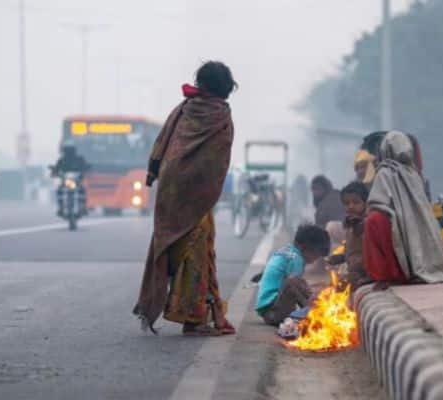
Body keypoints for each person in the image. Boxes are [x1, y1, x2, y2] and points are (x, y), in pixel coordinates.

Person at [133, 61, 237, 336]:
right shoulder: (220, 114)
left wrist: (154, 172)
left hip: (170, 188)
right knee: (197, 251)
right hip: (197, 193)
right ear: (225, 87)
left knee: (173, 244)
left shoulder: (184, 109)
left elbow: (162, 143)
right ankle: (194, 318)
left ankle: (201, 312)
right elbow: (217, 159)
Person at [363, 131, 443, 285]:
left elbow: (377, 204)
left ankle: (387, 274)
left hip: (394, 225)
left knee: (373, 221)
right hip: (413, 226)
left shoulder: (384, 172)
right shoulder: (414, 173)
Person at [255, 224, 330, 326]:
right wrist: (310, 302)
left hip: (269, 311)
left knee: (300, 284)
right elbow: (294, 285)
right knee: (295, 282)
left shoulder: (287, 251)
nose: (314, 260)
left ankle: (309, 310)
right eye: (316, 255)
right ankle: (311, 312)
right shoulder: (296, 259)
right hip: (273, 312)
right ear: (305, 248)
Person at [339, 181, 372, 289]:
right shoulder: (350, 224)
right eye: (347, 203)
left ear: (366, 203)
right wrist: (339, 258)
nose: (351, 206)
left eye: (356, 202)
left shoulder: (369, 224)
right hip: (354, 273)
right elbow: (353, 252)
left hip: (367, 275)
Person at [51, 142, 90, 217]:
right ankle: (61, 207)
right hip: (67, 181)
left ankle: (83, 207)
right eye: (68, 149)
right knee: (59, 191)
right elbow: (56, 168)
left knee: (82, 191)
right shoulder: (62, 160)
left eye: (71, 149)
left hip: (76, 180)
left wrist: (85, 170)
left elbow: (85, 166)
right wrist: (54, 172)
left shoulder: (79, 159)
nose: (69, 151)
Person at [311, 175, 345, 246]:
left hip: (335, 239)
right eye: (313, 189)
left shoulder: (328, 202)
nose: (315, 192)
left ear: (325, 188)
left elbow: (321, 227)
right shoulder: (333, 196)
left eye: (318, 189)